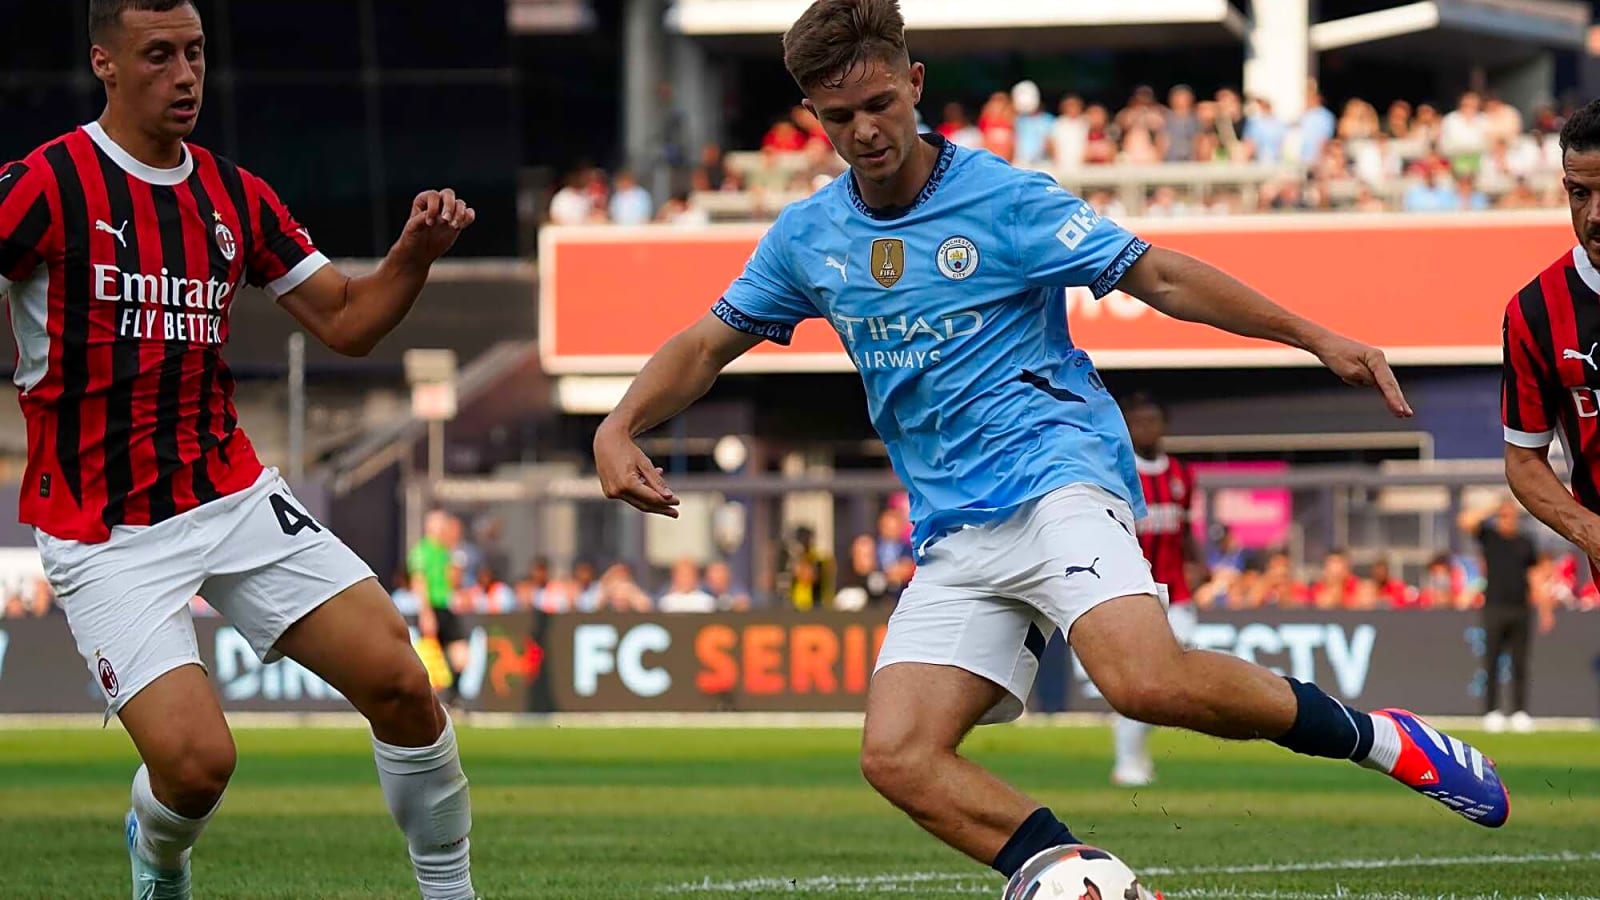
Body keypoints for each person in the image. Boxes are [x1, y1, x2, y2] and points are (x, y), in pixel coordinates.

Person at [593, 0, 1508, 882]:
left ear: (915, 85)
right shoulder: (808, 238)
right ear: (815, 119)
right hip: (954, 527)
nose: (866, 130)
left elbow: (1157, 274)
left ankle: (1387, 739)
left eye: (880, 104)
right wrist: (622, 420)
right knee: (898, 754)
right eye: (841, 116)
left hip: (1056, 470)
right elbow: (707, 344)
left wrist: (1315, 336)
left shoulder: (1002, 199)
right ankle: (1074, 874)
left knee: (1142, 681)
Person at [0, 3, 479, 897]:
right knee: (196, 767)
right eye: (158, 56)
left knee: (403, 684)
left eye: (195, 53)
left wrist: (414, 253)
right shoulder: (46, 184)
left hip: (229, 495)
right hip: (105, 529)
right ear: (104, 63)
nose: (185, 75)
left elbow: (346, 320)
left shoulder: (232, 194)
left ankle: (452, 892)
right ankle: (160, 852)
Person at [1498, 99, 1600, 735]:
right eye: (1578, 192)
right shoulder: (1534, 311)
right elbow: (1524, 461)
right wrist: (1591, 531)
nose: (1596, 214)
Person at [1110, 394, 1203, 788]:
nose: (1146, 428)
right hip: (1136, 594)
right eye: (1138, 422)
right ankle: (1128, 763)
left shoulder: (1182, 474)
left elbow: (1184, 530)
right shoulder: (1116, 473)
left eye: (1152, 421)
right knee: (1148, 681)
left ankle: (1132, 758)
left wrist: (1198, 563)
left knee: (1171, 677)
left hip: (1177, 592)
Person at [1458, 499, 1542, 733]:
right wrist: (1493, 507)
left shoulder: (1525, 542)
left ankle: (1519, 712)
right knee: (1492, 661)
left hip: (1521, 608)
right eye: (1503, 515)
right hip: (1494, 607)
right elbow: (1465, 521)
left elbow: (1534, 575)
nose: (1507, 519)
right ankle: (1491, 712)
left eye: (1510, 515)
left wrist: (1544, 607)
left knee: (1520, 663)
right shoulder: (1490, 537)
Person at [412, 511, 469, 708]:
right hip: (432, 608)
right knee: (431, 662)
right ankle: (428, 705)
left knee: (461, 657)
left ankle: (453, 699)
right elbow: (419, 582)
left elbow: (453, 582)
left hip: (447, 607)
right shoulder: (422, 551)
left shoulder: (447, 552)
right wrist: (425, 612)